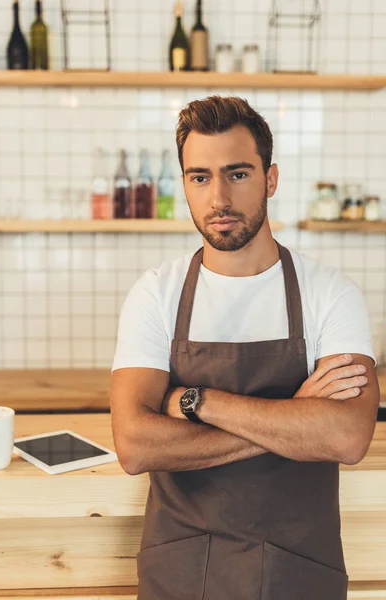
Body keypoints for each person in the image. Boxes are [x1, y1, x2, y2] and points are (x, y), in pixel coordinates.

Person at [110, 96, 379, 600]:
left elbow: (346, 436)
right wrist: (296, 416)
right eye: (199, 177)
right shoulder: (157, 294)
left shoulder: (330, 293)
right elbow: (135, 445)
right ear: (185, 185)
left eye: (237, 174)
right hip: (182, 570)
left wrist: (195, 402)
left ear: (270, 179)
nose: (218, 199)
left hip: (299, 570)